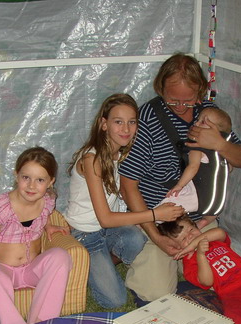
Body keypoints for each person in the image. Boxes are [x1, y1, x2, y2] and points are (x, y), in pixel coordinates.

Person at [119, 52, 241, 302]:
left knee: (227, 281)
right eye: (172, 100)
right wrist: (156, 237)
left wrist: (219, 143)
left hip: (198, 220)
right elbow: (128, 185)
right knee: (154, 293)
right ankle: (157, 256)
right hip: (161, 218)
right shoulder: (148, 118)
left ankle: (182, 261)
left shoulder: (210, 116)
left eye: (188, 102)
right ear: (160, 89)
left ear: (200, 91)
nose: (180, 108)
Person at [65, 93, 184, 308]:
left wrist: (142, 220)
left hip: (106, 231)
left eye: (132, 122)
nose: (126, 129)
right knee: (115, 300)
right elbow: (105, 219)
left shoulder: (119, 154)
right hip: (85, 234)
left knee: (136, 238)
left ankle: (101, 265)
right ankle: (85, 266)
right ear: (103, 124)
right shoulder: (92, 159)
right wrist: (155, 214)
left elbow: (120, 196)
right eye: (118, 122)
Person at [0, 147, 72, 324]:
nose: (31, 186)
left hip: (30, 270)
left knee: (61, 256)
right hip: (4, 269)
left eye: (40, 180)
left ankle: (41, 323)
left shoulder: (47, 201)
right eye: (25, 178)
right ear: (16, 175)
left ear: (50, 182)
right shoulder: (3, 205)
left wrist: (48, 227)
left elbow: (42, 218)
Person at [155, 107, 233, 228]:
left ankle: (150, 221)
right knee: (209, 213)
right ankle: (203, 222)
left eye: (202, 122)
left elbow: (193, 167)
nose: (196, 123)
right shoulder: (224, 150)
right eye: (198, 119)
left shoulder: (198, 147)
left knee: (169, 203)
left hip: (199, 195)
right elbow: (229, 169)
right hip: (218, 203)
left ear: (215, 131)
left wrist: (179, 186)